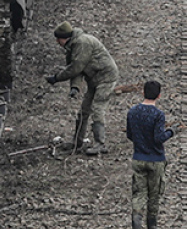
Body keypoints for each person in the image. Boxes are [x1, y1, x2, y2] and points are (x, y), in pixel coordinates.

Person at [45, 21, 120, 155]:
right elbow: (77, 69)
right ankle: (77, 142)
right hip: (94, 79)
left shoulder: (82, 43)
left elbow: (75, 68)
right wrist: (75, 87)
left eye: (58, 39)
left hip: (106, 78)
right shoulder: (72, 46)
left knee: (97, 108)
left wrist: (57, 78)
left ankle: (100, 144)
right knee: (83, 111)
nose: (57, 42)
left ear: (65, 37)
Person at [126, 81, 177, 229]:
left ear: (143, 93)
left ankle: (136, 220)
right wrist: (171, 131)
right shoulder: (158, 115)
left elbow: (130, 135)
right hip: (156, 160)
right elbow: (159, 138)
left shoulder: (132, 112)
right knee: (154, 196)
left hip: (138, 158)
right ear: (159, 96)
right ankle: (152, 225)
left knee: (139, 193)